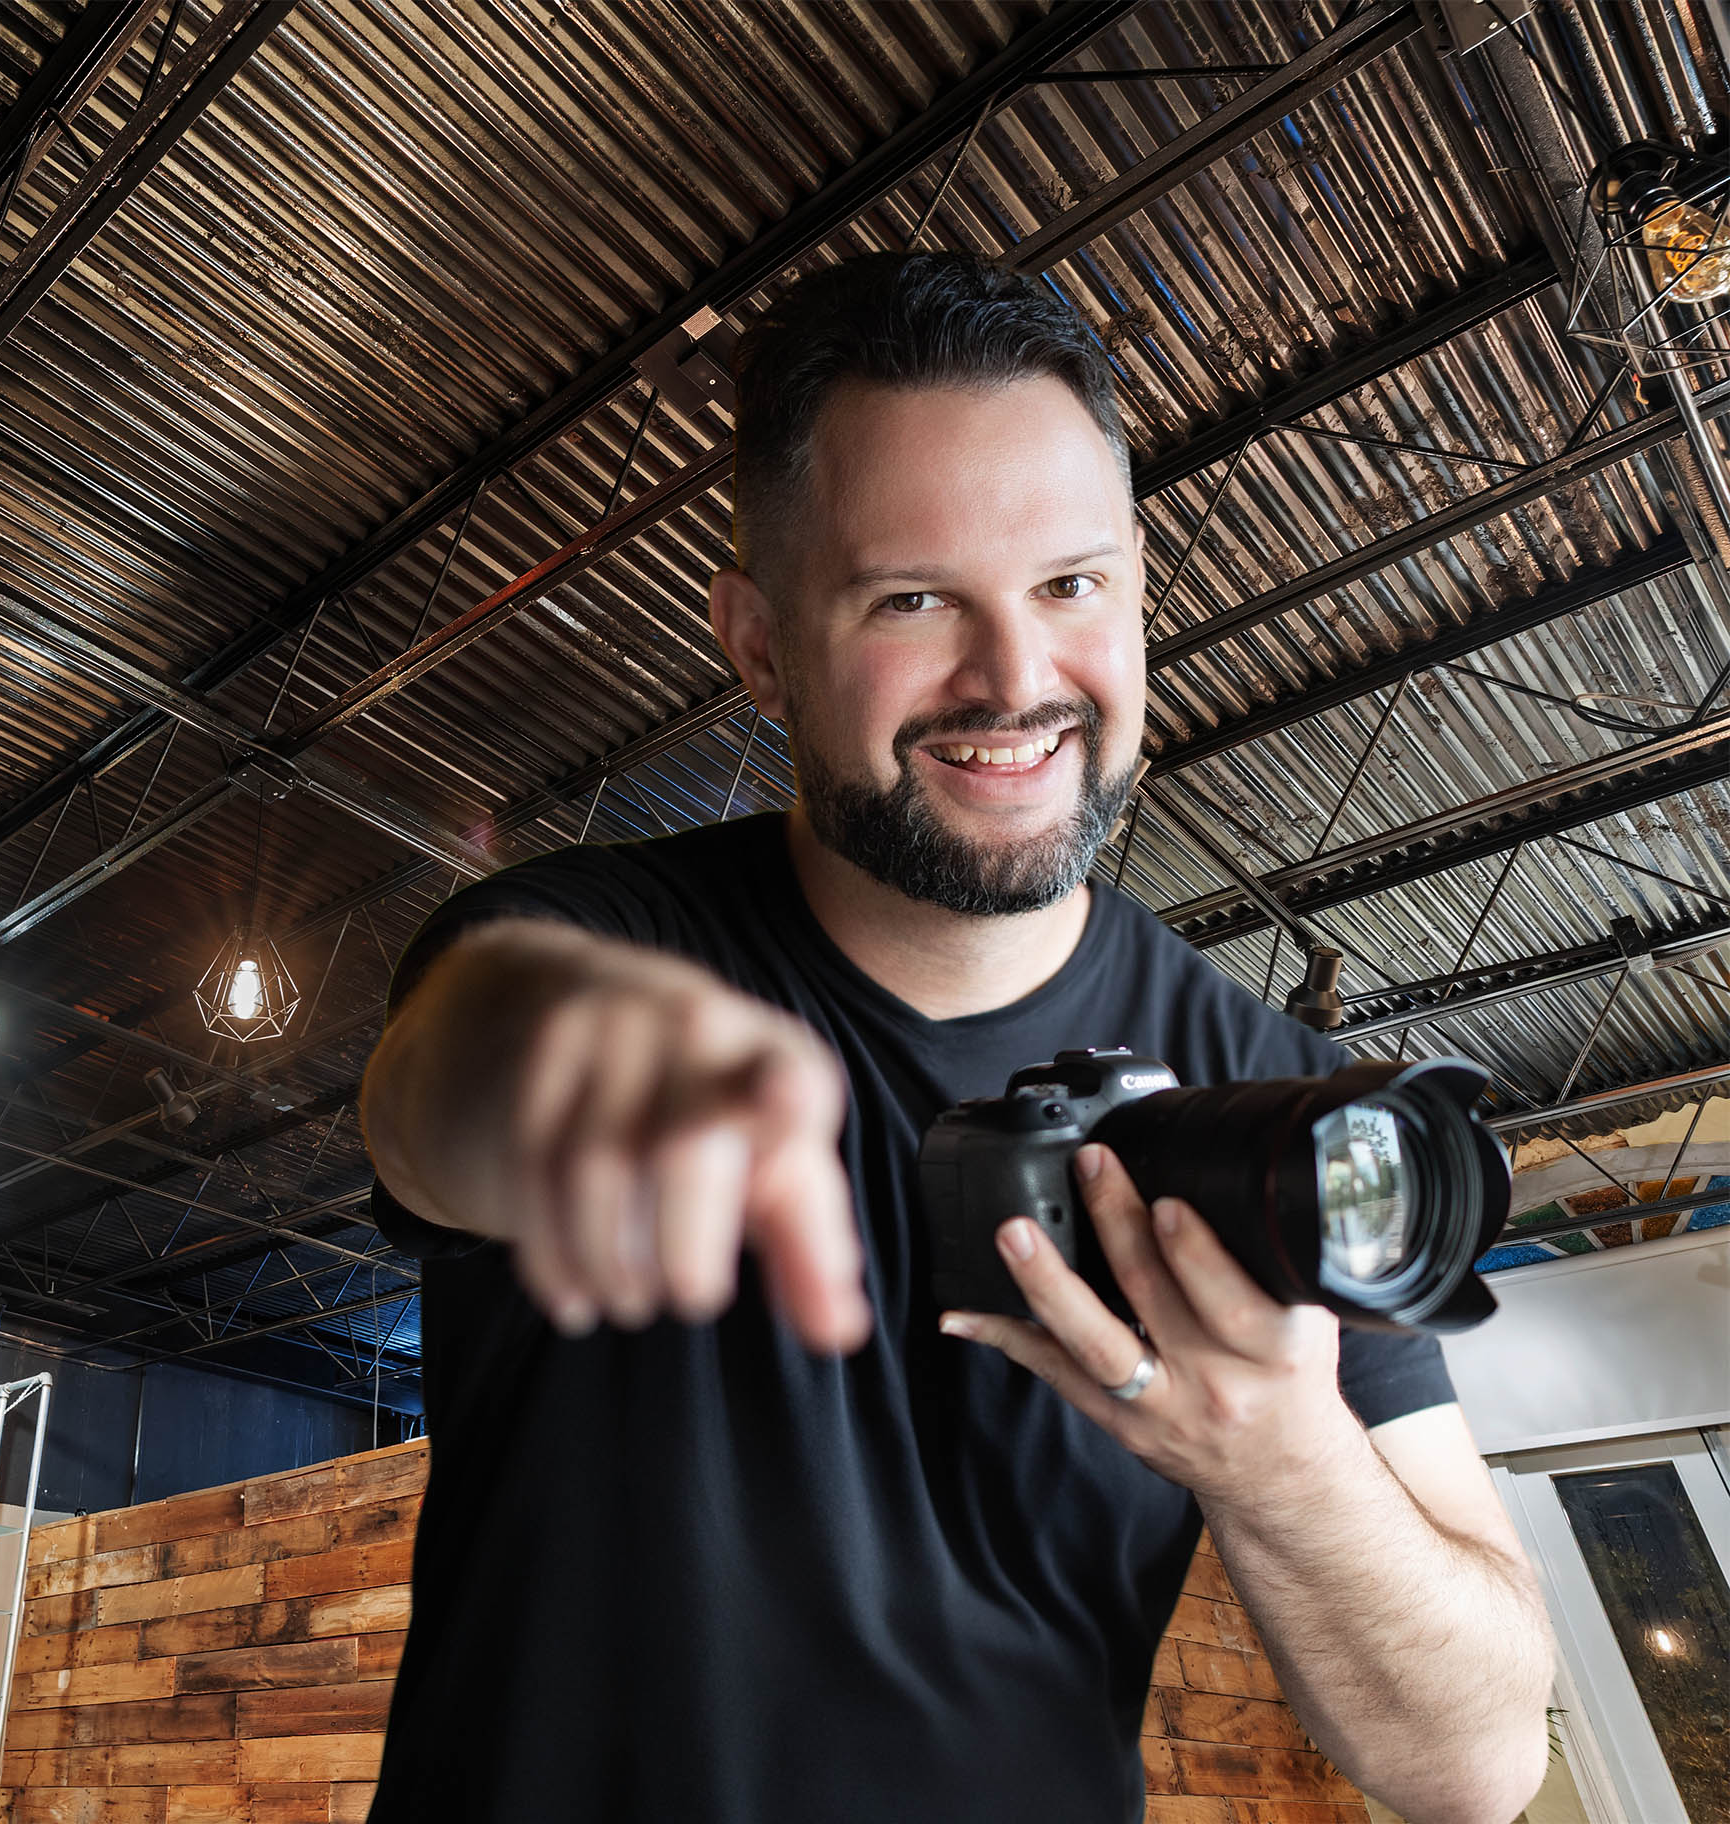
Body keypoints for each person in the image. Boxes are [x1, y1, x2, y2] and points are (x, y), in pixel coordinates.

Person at [357, 251, 1551, 1824]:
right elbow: (438, 1095)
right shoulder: (598, 947)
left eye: (1072, 586)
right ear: (762, 644)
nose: (1017, 679)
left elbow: (1475, 1761)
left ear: (1135, 585)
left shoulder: (1279, 1101)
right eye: (914, 600)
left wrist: (1277, 1458)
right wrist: (574, 1077)